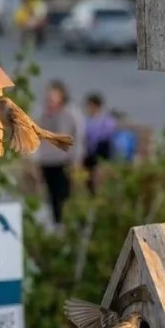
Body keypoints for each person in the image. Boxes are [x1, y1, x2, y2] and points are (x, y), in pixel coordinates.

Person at [36, 80, 85, 225]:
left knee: (64, 195)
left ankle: (68, 223)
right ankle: (57, 224)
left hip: (64, 160)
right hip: (47, 161)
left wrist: (77, 160)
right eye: (48, 97)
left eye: (53, 97)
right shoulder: (43, 114)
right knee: (51, 196)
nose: (50, 100)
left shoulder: (71, 114)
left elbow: (79, 137)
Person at [82, 93, 116, 194]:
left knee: (97, 175)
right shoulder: (87, 120)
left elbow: (106, 135)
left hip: (101, 151)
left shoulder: (106, 120)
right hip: (89, 152)